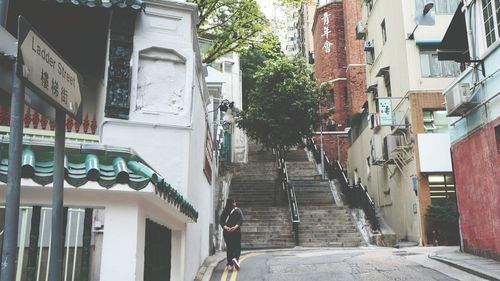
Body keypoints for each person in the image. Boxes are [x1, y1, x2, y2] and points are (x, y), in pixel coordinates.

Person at [219, 198, 244, 271]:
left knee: (229, 247)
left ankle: (229, 264)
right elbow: (241, 220)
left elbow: (221, 221)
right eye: (234, 202)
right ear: (233, 203)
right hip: (236, 232)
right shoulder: (238, 210)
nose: (235, 203)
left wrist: (226, 228)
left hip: (226, 233)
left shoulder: (225, 210)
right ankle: (235, 258)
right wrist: (235, 227)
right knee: (237, 246)